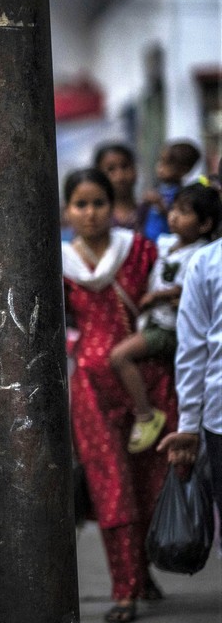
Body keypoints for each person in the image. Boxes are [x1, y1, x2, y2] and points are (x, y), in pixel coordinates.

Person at [61, 168, 176, 623]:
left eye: (99, 203)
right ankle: (124, 589)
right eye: (81, 204)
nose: (90, 213)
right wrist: (77, 349)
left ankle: (142, 573)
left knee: (150, 482)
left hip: (147, 379)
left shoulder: (143, 251)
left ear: (113, 206)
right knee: (111, 486)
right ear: (68, 211)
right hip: (90, 387)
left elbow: (166, 307)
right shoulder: (60, 263)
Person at [109, 183, 220, 453]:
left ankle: (146, 415)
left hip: (170, 328)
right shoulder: (172, 247)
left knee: (119, 356)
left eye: (184, 213)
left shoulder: (201, 257)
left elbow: (187, 301)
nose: (174, 216)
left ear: (205, 225)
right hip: (215, 417)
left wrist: (158, 297)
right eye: (173, 210)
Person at [157, 235, 222, 514]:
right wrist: (189, 425)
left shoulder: (208, 261)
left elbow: (193, 350)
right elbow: (193, 350)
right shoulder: (207, 262)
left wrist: (189, 424)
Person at [140, 141, 201, 240]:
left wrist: (160, 204)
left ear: (183, 169)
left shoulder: (183, 194)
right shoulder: (160, 189)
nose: (160, 167)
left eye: (166, 164)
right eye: (160, 161)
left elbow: (177, 217)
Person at [93, 143, 141, 229]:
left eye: (125, 166)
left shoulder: (150, 212)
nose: (120, 176)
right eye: (111, 169)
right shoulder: (95, 219)